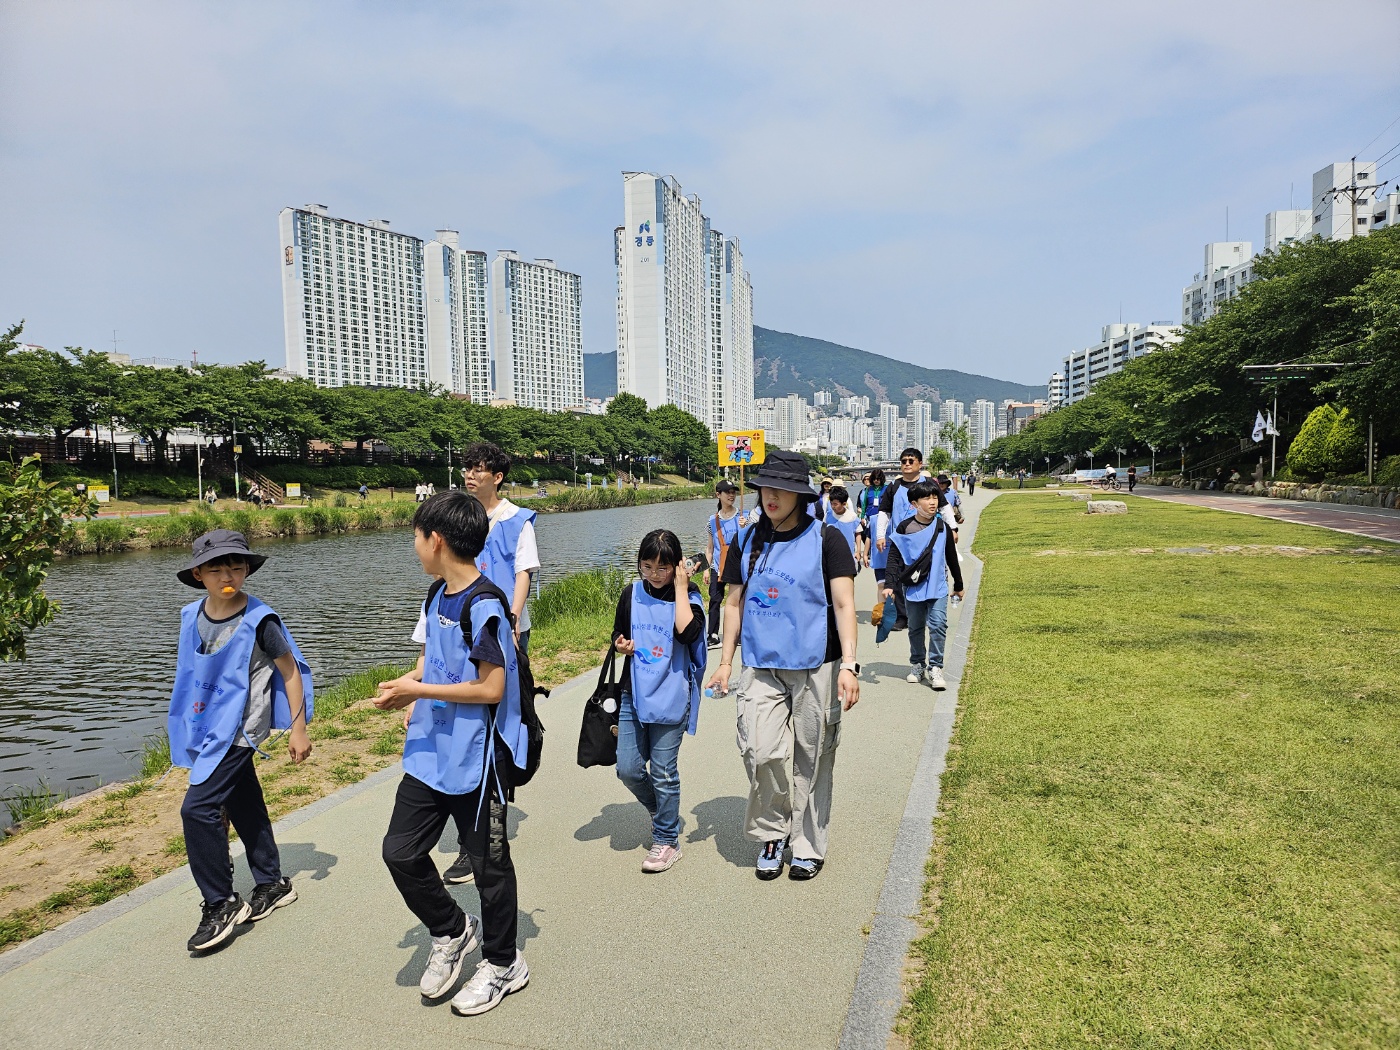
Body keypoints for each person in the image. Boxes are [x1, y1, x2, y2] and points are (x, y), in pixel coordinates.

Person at [375, 491, 530, 1016]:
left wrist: (417, 693)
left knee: (489, 866)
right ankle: (451, 929)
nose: (414, 546)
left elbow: (490, 688)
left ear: (435, 540)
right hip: (431, 749)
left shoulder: (484, 604)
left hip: (478, 758)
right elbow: (436, 659)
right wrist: (409, 682)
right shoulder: (436, 595)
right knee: (399, 851)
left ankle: (505, 962)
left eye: (416, 536)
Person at [707, 450, 861, 882]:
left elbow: (845, 604)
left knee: (813, 757)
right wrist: (724, 662)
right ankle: (773, 831)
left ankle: (809, 844)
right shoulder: (748, 539)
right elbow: (733, 603)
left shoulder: (827, 539)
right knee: (759, 749)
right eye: (764, 488)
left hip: (817, 664)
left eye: (782, 489)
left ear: (800, 494)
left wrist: (850, 664)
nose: (770, 496)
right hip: (761, 663)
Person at [168, 530, 312, 953]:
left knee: (198, 809)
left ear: (248, 569)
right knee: (243, 799)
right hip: (205, 723)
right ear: (198, 573)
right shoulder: (189, 615)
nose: (227, 575)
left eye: (236, 566)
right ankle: (272, 883)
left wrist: (299, 729)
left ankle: (222, 902)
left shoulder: (260, 621)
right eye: (216, 568)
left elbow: (290, 672)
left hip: (240, 729)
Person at [433, 441, 539, 886]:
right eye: (467, 468)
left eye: (479, 469)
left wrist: (511, 621)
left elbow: (523, 574)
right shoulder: (456, 518)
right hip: (461, 629)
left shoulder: (517, 521)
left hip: (502, 629)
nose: (470, 475)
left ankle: (482, 828)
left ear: (497, 476)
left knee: (495, 721)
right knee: (460, 720)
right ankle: (471, 823)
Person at [610, 529, 707, 873]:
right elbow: (619, 633)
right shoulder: (631, 593)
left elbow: (687, 633)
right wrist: (621, 646)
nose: (653, 574)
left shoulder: (690, 597)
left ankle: (666, 840)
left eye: (662, 568)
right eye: (646, 565)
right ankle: (662, 812)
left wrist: (680, 587)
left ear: (677, 567)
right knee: (628, 768)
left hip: (671, 697)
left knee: (664, 772)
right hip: (633, 694)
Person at [883, 481, 964, 690]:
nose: (932, 502)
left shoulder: (942, 527)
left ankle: (936, 667)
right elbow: (894, 557)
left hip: (938, 587)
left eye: (935, 497)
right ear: (914, 503)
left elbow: (951, 557)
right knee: (916, 627)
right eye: (927, 498)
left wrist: (959, 583)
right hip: (913, 587)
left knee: (938, 625)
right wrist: (890, 584)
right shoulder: (905, 527)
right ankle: (917, 663)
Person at [875, 449, 936, 630]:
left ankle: (924, 615)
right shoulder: (893, 487)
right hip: (900, 541)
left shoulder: (928, 484)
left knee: (925, 577)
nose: (907, 464)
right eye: (904, 461)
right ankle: (902, 618)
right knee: (898, 578)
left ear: (920, 463)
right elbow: (884, 512)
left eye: (911, 460)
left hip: (926, 540)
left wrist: (953, 529)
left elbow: (943, 505)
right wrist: (880, 535)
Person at [705, 480, 744, 646]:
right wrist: (706, 569)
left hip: (738, 565)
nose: (731, 495)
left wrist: (745, 527)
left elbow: (751, 543)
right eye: (727, 492)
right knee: (715, 598)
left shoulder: (744, 516)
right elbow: (709, 548)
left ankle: (741, 633)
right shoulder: (712, 521)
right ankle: (713, 634)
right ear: (718, 495)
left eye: (734, 492)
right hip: (717, 565)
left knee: (740, 599)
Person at [859, 468, 887, 617]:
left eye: (878, 478)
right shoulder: (868, 491)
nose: (876, 481)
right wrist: (862, 516)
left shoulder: (886, 489)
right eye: (874, 478)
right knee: (870, 537)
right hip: (871, 519)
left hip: (883, 518)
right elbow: (864, 505)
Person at [824, 485, 864, 566]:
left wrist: (858, 551)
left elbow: (858, 534)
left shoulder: (852, 517)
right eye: (831, 504)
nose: (833, 507)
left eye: (835, 504)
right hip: (831, 554)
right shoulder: (828, 516)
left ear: (844, 504)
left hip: (848, 554)